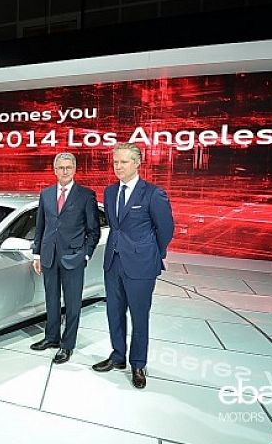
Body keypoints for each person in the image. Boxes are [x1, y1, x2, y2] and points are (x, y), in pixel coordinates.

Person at [92, 142, 174, 389]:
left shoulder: (153, 193)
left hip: (141, 265)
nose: (118, 166)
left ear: (138, 163)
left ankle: (138, 363)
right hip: (113, 263)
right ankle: (118, 356)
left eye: (124, 162)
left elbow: (166, 229)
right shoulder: (109, 192)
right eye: (115, 162)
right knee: (114, 313)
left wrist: (151, 254)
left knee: (139, 317)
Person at [30, 152, 100, 364]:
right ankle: (51, 337)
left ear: (75, 169)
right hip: (49, 257)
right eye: (60, 168)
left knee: (72, 304)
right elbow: (41, 226)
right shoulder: (46, 194)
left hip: (74, 258)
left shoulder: (86, 195)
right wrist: (37, 254)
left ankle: (67, 345)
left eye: (68, 167)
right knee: (51, 300)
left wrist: (85, 254)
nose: (64, 171)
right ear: (54, 170)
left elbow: (93, 230)